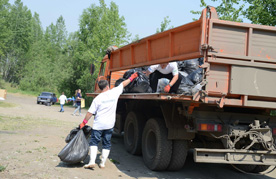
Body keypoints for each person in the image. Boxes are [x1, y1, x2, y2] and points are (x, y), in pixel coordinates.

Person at [79, 72, 138, 169]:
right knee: (107, 143)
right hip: (110, 125)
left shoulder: (97, 99)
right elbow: (123, 84)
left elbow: (90, 113)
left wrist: (83, 123)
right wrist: (132, 78)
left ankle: (92, 161)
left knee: (94, 142)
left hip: (99, 125)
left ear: (100, 88)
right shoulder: (114, 93)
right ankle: (102, 163)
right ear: (107, 87)